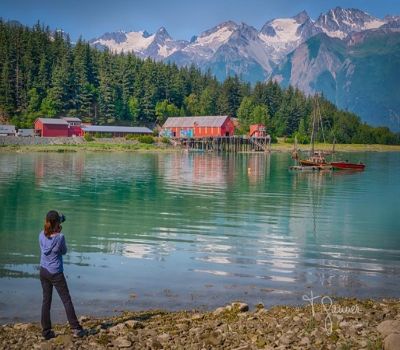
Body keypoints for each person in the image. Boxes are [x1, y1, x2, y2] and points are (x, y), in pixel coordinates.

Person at [39, 210, 86, 340]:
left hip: (43, 271)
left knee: (46, 301)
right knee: (66, 300)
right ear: (57, 223)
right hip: (56, 273)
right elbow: (64, 251)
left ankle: (46, 332)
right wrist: (59, 233)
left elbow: (48, 245)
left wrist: (56, 231)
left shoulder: (41, 235)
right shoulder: (60, 237)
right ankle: (76, 329)